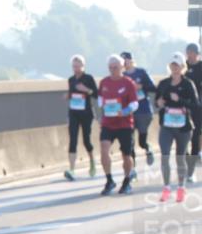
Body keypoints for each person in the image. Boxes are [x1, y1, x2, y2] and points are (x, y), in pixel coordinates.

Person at [154, 52, 199, 203]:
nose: (175, 68)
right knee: (165, 156)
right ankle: (166, 188)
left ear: (182, 67)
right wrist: (158, 103)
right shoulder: (163, 84)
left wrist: (180, 100)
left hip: (183, 127)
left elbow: (195, 104)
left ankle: (181, 187)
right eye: (172, 65)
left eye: (177, 66)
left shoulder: (188, 84)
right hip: (166, 125)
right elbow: (156, 102)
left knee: (180, 158)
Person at [97, 54, 139, 196]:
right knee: (104, 148)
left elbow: (135, 103)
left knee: (126, 155)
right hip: (108, 122)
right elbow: (99, 99)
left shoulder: (128, 83)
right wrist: (103, 106)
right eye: (110, 68)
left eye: (115, 67)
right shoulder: (104, 82)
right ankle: (109, 180)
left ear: (122, 67)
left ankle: (127, 180)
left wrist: (126, 111)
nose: (112, 70)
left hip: (124, 124)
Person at [121, 51, 157, 175]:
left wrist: (141, 86)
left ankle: (148, 149)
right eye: (122, 61)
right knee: (130, 142)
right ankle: (132, 170)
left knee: (141, 141)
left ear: (131, 60)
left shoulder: (141, 72)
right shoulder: (122, 76)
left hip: (143, 111)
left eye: (126, 60)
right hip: (129, 113)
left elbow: (153, 88)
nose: (125, 63)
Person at [64, 54, 98, 180]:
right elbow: (72, 93)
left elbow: (96, 94)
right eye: (74, 66)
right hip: (73, 112)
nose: (76, 69)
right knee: (72, 139)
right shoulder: (71, 79)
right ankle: (72, 169)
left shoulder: (88, 78)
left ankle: (92, 162)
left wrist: (86, 89)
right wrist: (68, 96)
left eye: (78, 66)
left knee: (86, 140)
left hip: (86, 114)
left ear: (83, 66)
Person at [185, 42, 202, 183]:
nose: (189, 54)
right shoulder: (182, 67)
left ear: (197, 53)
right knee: (182, 136)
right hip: (183, 105)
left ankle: (191, 169)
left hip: (198, 105)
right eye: (188, 52)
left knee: (196, 133)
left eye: (192, 52)